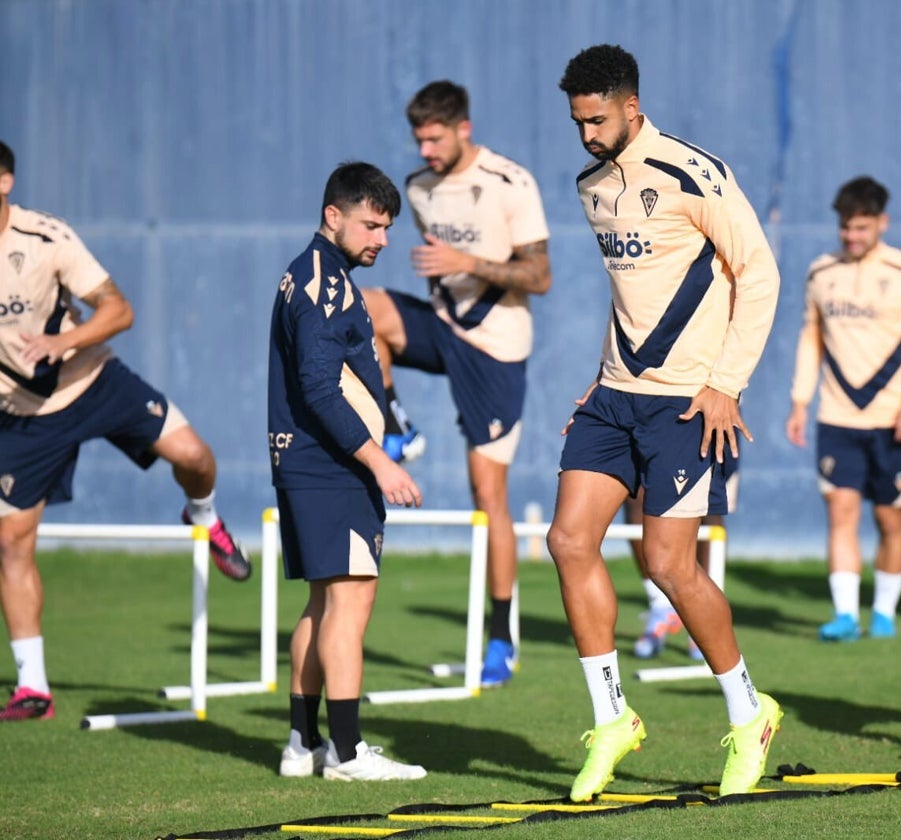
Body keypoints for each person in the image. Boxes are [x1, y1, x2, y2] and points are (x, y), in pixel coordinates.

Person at [550, 44, 782, 802]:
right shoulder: (590, 187)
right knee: (568, 540)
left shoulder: (693, 172)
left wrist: (727, 384)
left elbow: (760, 272)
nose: (586, 134)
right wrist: (598, 379)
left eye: (597, 119)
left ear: (632, 108)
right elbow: (638, 298)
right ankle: (613, 719)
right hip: (614, 398)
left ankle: (751, 715)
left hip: (686, 405)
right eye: (577, 120)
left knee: (668, 565)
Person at [0, 140, 250, 722]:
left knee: (194, 455)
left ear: (5, 181)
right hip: (21, 417)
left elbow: (119, 310)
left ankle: (205, 515)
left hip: (94, 382)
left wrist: (63, 342)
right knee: (11, 543)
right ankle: (33, 688)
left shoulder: (46, 237)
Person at [363, 80, 551, 688]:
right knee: (359, 310)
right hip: (445, 328)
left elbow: (540, 276)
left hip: (497, 349)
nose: (425, 149)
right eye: (418, 138)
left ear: (463, 128)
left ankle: (502, 639)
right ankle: (396, 428)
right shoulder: (418, 189)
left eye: (435, 137)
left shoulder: (510, 182)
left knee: (485, 492)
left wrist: (466, 263)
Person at [269, 161, 426, 780]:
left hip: (308, 463)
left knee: (320, 604)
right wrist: (378, 460)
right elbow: (317, 385)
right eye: (370, 225)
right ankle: (349, 752)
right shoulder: (322, 283)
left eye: (387, 227)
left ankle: (301, 744)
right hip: (331, 465)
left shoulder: (315, 272)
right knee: (351, 603)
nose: (382, 239)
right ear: (333, 216)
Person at [786, 176, 901, 642]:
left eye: (861, 227)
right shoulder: (820, 273)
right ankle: (845, 615)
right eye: (845, 228)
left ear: (881, 223)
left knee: (890, 519)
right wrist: (800, 400)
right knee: (841, 512)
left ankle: (885, 612)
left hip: (894, 418)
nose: (852, 237)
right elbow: (809, 339)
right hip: (836, 417)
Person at [623, 463, 736, 661]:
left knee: (706, 498)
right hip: (647, 432)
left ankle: (704, 617)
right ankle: (661, 606)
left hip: (702, 434)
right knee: (636, 492)